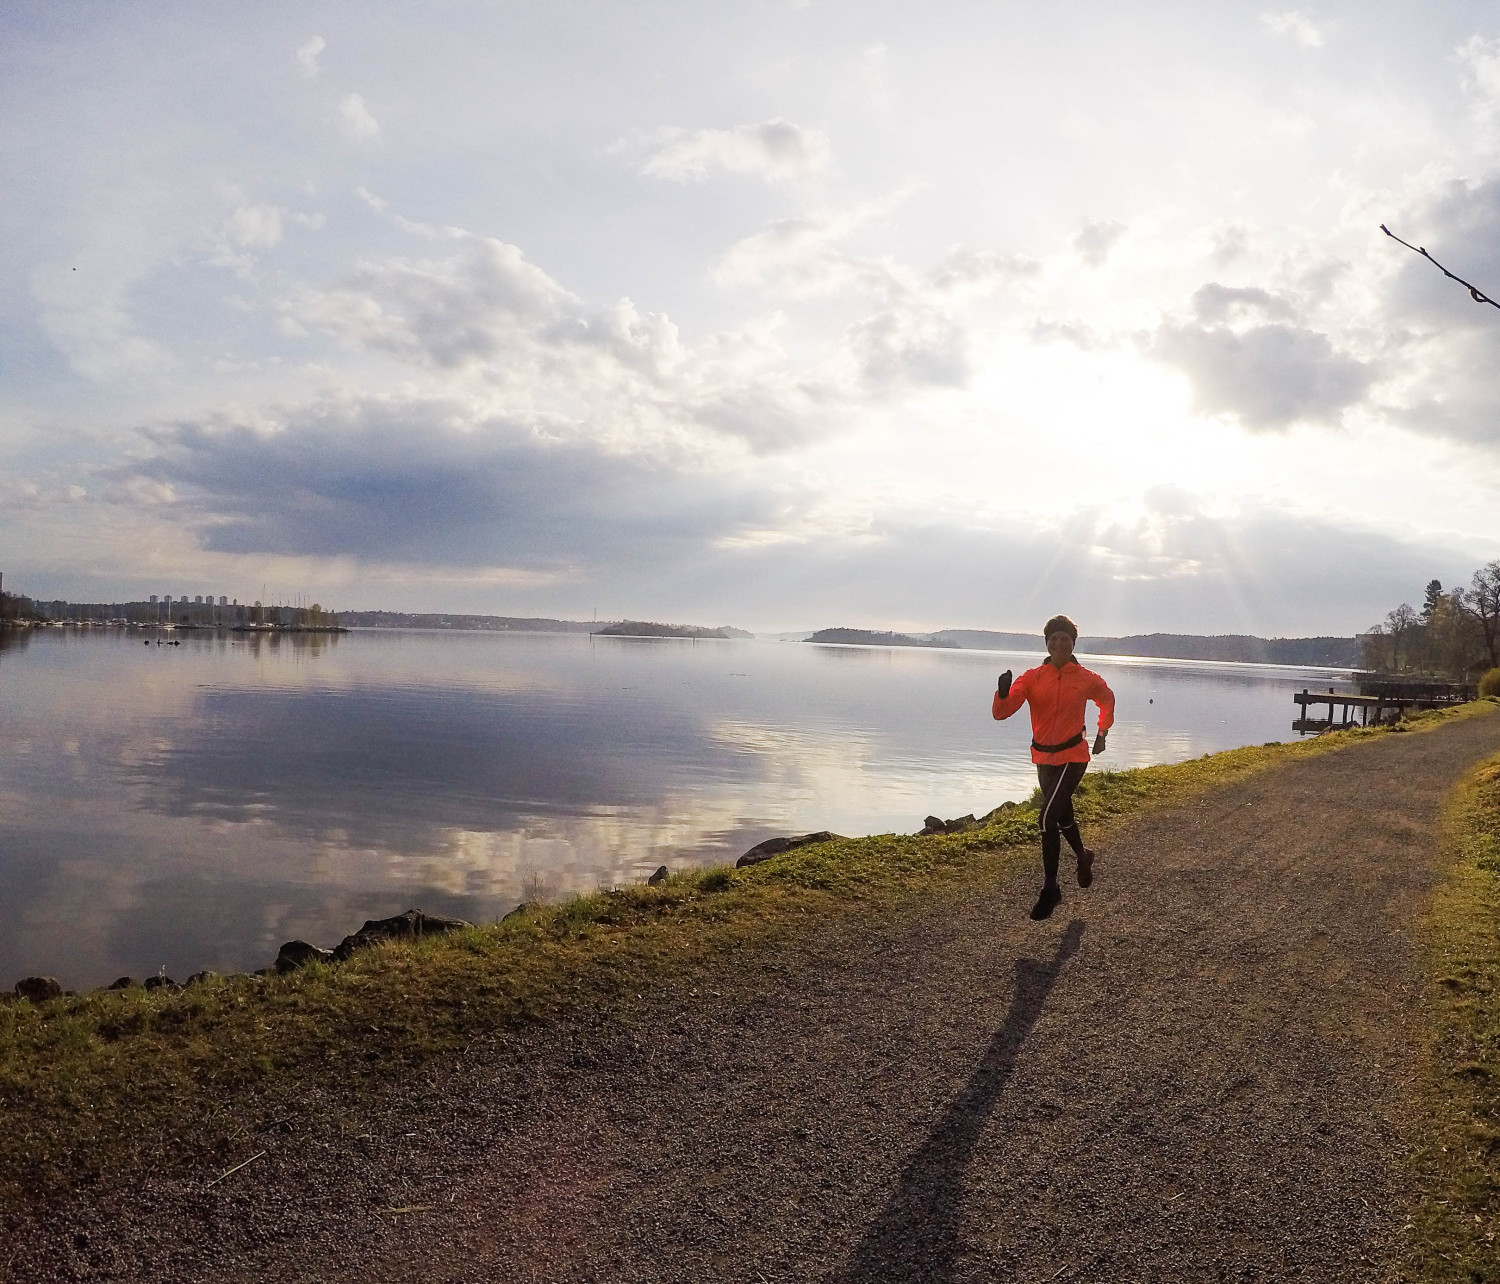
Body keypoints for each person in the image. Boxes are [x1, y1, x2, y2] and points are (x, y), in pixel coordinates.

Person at [992, 615, 1116, 921]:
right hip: (1043, 758)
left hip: (1074, 755)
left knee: (1046, 818)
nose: (1059, 643)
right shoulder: (1033, 677)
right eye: (1053, 638)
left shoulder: (1085, 677)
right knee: (1061, 815)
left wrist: (1102, 732)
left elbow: (1107, 699)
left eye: (1065, 638)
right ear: (1046, 642)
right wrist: (1003, 693)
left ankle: (1050, 889)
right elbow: (1002, 713)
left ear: (1073, 643)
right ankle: (1083, 857)